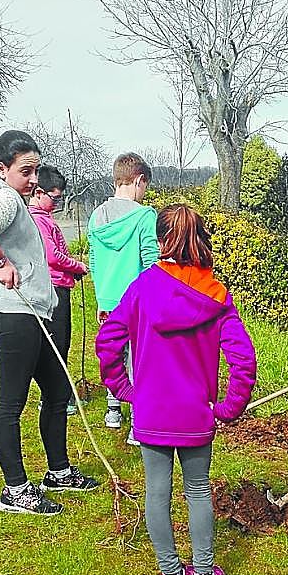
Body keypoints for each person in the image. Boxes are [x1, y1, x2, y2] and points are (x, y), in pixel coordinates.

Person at [96, 204, 256, 575]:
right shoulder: (215, 294)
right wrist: (229, 407)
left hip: (151, 410)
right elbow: (243, 359)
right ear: (200, 239)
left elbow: (108, 341)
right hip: (195, 413)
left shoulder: (142, 287)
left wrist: (124, 390)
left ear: (160, 239)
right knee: (197, 490)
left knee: (156, 492)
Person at [0, 130, 99, 516]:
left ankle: (58, 471)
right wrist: (0, 261)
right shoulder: (3, 196)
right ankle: (16, 490)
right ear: (2, 169)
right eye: (26, 171)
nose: (34, 179)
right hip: (12, 312)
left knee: (57, 390)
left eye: (36, 170)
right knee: (10, 403)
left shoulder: (7, 194)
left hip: (32, 311)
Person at [88, 152, 159, 438]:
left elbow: (94, 261)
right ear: (139, 180)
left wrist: (101, 298)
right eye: (145, 187)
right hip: (137, 301)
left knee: (113, 355)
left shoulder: (97, 216)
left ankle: (113, 410)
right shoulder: (145, 216)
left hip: (108, 299)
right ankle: (138, 422)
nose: (145, 193)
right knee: (139, 360)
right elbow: (151, 261)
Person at [29, 165, 88, 416]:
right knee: (57, 345)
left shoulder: (44, 217)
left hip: (58, 286)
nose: (57, 204)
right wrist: (78, 266)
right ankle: (56, 399)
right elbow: (53, 257)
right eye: (54, 198)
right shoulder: (38, 219)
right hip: (53, 289)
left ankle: (58, 396)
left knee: (60, 344)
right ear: (38, 192)